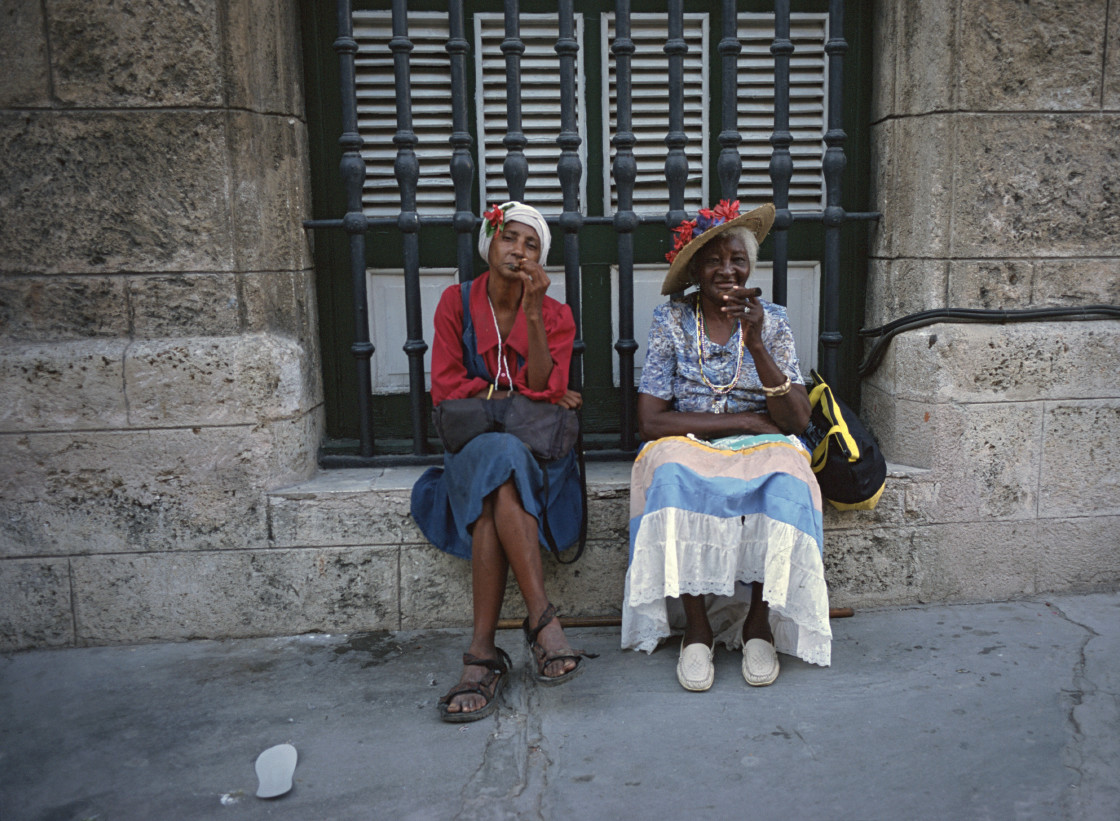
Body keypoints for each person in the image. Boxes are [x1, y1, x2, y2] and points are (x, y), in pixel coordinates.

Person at [621, 200, 831, 691]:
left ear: (750, 267)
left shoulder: (772, 320)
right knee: (672, 478)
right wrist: (742, 418)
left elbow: (796, 419)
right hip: (689, 440)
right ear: (696, 269)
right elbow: (651, 419)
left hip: (762, 441)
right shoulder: (671, 320)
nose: (727, 270)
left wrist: (756, 341)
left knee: (787, 477)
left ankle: (758, 623)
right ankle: (698, 629)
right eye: (713, 260)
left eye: (736, 259)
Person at [411, 201, 593, 722]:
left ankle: (482, 654)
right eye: (509, 238)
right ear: (489, 244)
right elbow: (445, 388)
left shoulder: (554, 313)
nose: (519, 250)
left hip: (537, 458)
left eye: (531, 244)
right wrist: (519, 398)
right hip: (471, 451)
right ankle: (542, 619)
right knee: (497, 457)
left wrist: (533, 314)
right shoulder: (456, 302)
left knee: (501, 486)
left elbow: (545, 383)